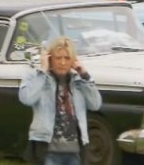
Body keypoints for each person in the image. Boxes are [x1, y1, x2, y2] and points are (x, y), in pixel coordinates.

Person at [19, 36, 101, 165]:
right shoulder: (36, 76)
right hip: (47, 149)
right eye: (58, 58)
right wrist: (43, 71)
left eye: (67, 58)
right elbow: (27, 99)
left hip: (75, 151)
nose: (62, 63)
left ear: (73, 60)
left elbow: (95, 104)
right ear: (50, 58)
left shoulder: (79, 80)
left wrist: (85, 75)